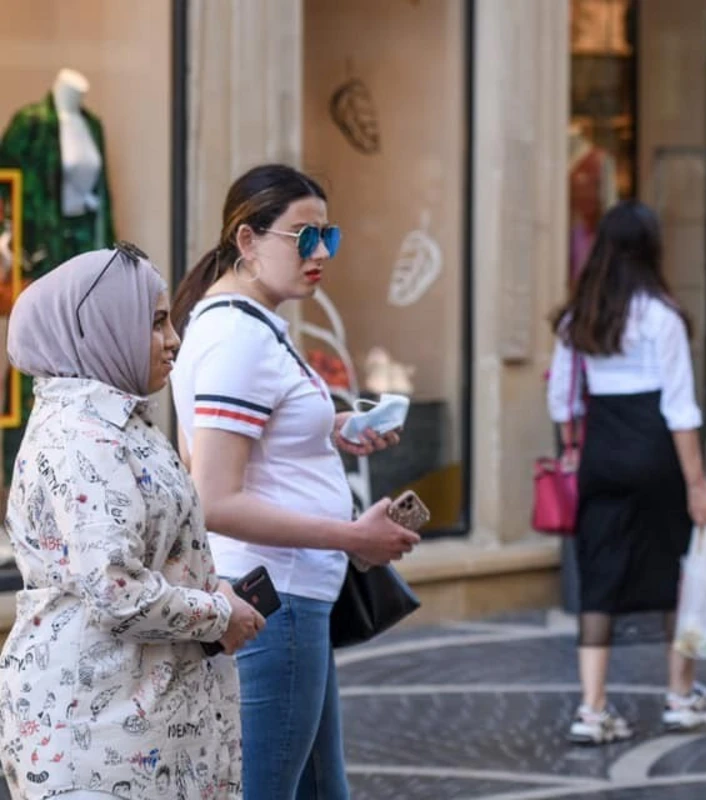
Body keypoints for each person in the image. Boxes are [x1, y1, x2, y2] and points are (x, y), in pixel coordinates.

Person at [170, 164, 421, 799]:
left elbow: (249, 444)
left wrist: (331, 429)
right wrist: (351, 536)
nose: (320, 255)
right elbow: (214, 497)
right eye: (303, 237)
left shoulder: (240, 327)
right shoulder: (237, 339)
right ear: (247, 241)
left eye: (327, 237)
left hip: (281, 596)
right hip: (274, 600)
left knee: (317, 788)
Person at [0, 245, 264, 799]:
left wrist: (205, 584)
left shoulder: (118, 422)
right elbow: (115, 590)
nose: (173, 340)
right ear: (102, 329)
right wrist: (220, 614)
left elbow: (148, 556)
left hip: (138, 726)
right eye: (156, 322)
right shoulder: (84, 437)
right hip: (99, 737)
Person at [547, 200, 706, 744]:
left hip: (601, 455)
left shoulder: (576, 318)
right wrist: (697, 484)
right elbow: (681, 410)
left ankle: (592, 707)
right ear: (651, 250)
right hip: (656, 458)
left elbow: (562, 400)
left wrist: (574, 450)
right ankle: (680, 696)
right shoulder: (662, 317)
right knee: (678, 574)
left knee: (598, 581)